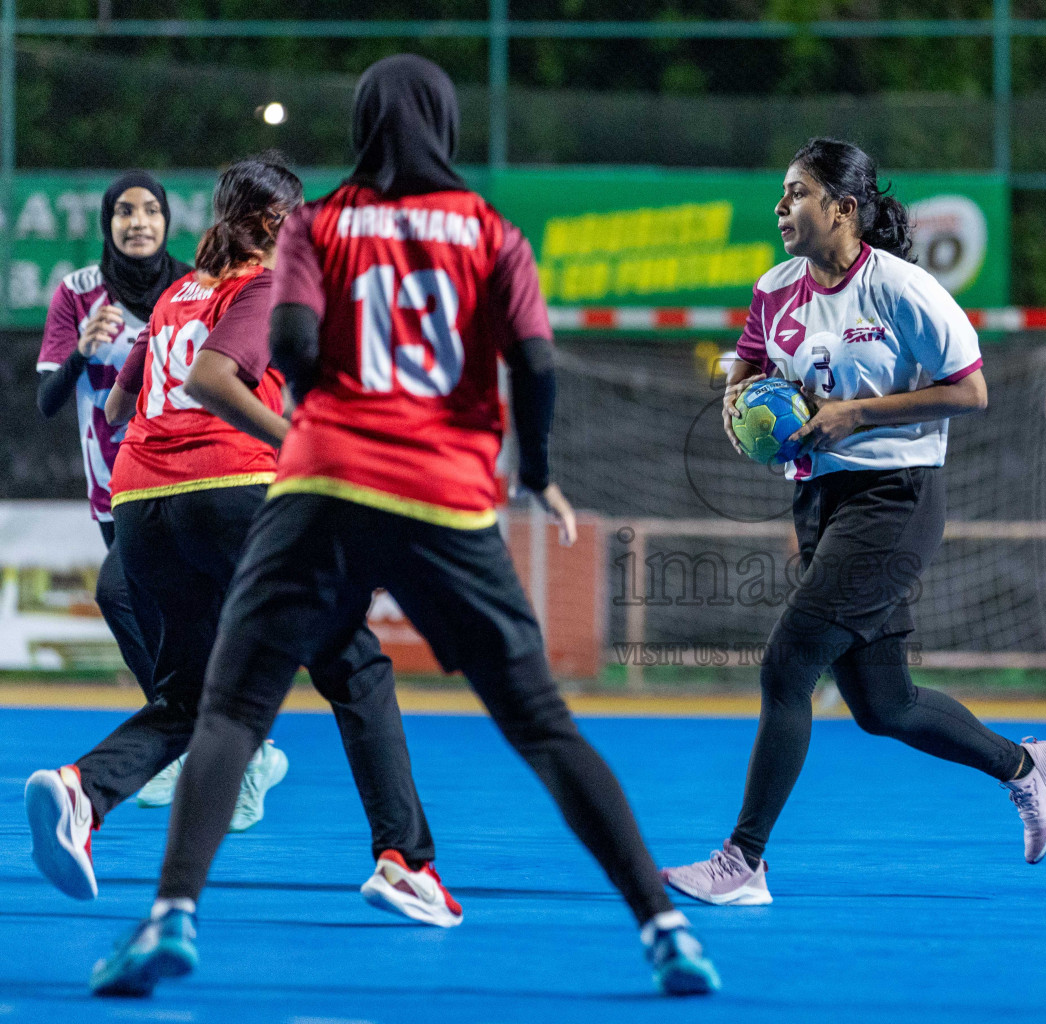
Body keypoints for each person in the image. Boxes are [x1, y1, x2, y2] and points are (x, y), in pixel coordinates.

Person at [85, 56, 719, 999]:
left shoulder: (322, 225)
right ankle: (664, 931)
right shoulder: (489, 230)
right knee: (542, 725)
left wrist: (335, 414)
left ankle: (170, 916)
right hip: (439, 494)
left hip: (323, 488)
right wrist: (535, 473)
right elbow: (536, 366)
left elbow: (292, 348)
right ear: (446, 126)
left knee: (230, 710)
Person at [25, 154, 457, 934]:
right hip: (231, 495)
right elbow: (213, 382)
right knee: (355, 665)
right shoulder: (260, 286)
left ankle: (82, 791)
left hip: (144, 509)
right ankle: (407, 862)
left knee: (194, 696)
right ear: (272, 224)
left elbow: (121, 406)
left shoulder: (177, 295)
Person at [662, 138, 1046, 908]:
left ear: (843, 208)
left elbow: (971, 391)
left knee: (788, 664)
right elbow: (746, 365)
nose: (781, 207)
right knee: (885, 706)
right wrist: (737, 400)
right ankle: (1026, 765)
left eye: (796, 194)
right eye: (781, 194)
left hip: (896, 498)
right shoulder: (775, 288)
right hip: (820, 500)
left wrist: (860, 414)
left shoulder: (902, 290)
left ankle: (744, 862)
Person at [36, 174, 181, 747]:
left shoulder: (194, 288)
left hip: (180, 479)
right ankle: (194, 736)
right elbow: (47, 401)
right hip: (112, 493)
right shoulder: (77, 292)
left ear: (167, 222)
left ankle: (197, 736)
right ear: (107, 223)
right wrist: (82, 352)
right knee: (149, 621)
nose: (138, 222)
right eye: (125, 211)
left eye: (150, 210)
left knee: (124, 596)